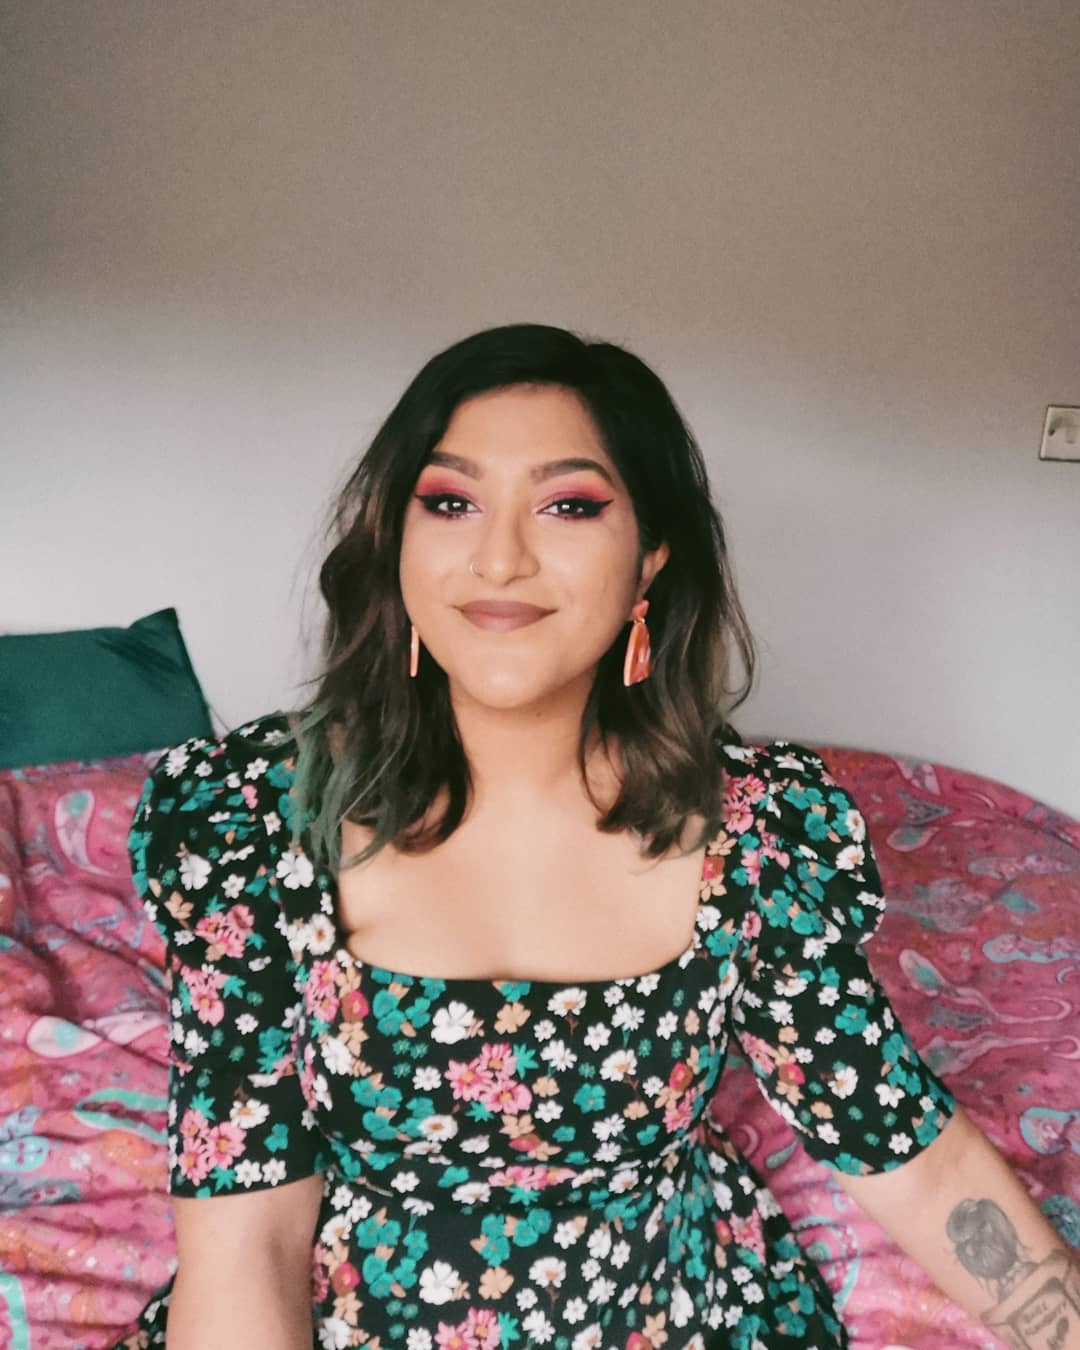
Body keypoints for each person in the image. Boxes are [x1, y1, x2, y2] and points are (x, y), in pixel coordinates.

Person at [117, 324, 1078, 1350]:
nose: (499, 556)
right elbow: (246, 1232)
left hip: (676, 1315)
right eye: (450, 501)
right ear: (396, 544)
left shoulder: (757, 837)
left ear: (649, 562)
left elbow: (913, 1158)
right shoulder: (254, 821)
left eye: (569, 505)